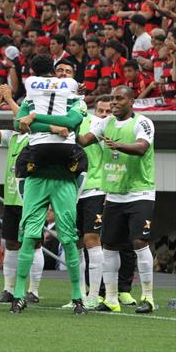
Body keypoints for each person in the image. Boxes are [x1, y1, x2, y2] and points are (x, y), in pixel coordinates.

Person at [11, 55, 88, 315]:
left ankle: (78, 297)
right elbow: (17, 123)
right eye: (59, 71)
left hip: (60, 174)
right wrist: (54, 126)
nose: (62, 76)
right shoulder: (53, 98)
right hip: (43, 173)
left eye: (67, 72)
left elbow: (71, 123)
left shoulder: (75, 98)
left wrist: (35, 118)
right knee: (30, 236)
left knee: (68, 237)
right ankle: (19, 295)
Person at [79, 86, 156, 314]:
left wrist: (118, 145)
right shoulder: (106, 123)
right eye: (112, 98)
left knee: (139, 242)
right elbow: (84, 140)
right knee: (110, 246)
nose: (114, 102)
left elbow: (142, 147)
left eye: (119, 98)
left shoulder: (143, 123)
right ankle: (111, 299)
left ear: (131, 101)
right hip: (113, 194)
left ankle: (148, 297)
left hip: (140, 192)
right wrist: (71, 124)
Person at [0, 85, 45, 304]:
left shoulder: (39, 136)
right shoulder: (12, 137)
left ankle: (33, 290)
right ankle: (8, 289)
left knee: (34, 244)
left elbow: (25, 119)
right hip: (11, 200)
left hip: (32, 200)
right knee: (11, 244)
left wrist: (9, 99)